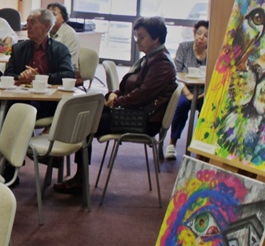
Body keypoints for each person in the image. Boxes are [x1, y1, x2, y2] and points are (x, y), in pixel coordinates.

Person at [55, 17, 177, 193]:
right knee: (87, 115)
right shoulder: (152, 58)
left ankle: (78, 178)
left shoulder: (161, 63)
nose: (137, 41)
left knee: (85, 123)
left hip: (145, 122)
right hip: (136, 114)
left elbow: (142, 95)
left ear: (156, 38)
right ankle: (74, 171)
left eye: (142, 37)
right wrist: (114, 96)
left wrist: (115, 101)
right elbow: (132, 89)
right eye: (137, 36)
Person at [167, 20, 209, 160]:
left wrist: (201, 95)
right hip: (185, 88)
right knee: (181, 105)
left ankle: (202, 149)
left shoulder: (212, 52)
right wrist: (189, 95)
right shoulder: (184, 47)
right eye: (199, 33)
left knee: (208, 110)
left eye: (206, 35)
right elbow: (176, 74)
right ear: (194, 33)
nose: (201, 37)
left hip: (204, 91)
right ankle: (172, 143)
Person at [47, 2, 80, 70]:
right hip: (50, 68)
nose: (49, 17)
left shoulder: (70, 34)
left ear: (63, 18)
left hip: (67, 70)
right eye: (48, 14)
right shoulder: (46, 31)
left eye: (54, 14)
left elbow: (70, 61)